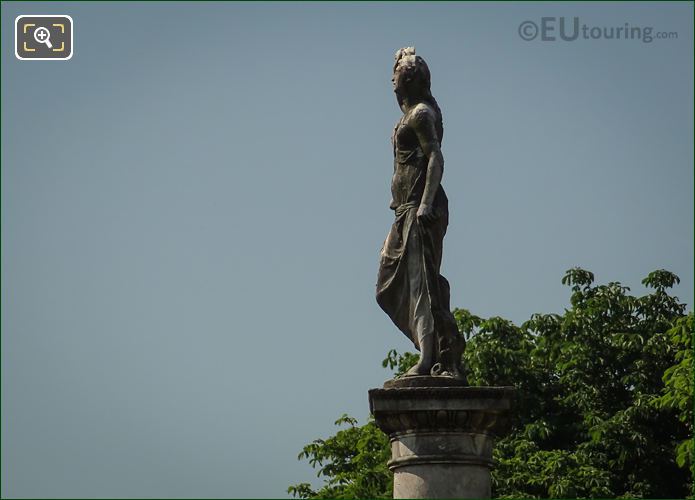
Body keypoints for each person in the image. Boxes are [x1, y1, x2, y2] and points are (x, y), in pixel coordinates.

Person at [376, 47, 466, 380]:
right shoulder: (408, 115)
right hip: (404, 210)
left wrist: (426, 203)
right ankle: (432, 350)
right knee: (388, 284)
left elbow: (435, 159)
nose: (392, 78)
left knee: (422, 284)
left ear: (411, 78)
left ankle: (431, 358)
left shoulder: (421, 114)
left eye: (397, 72)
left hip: (420, 209)